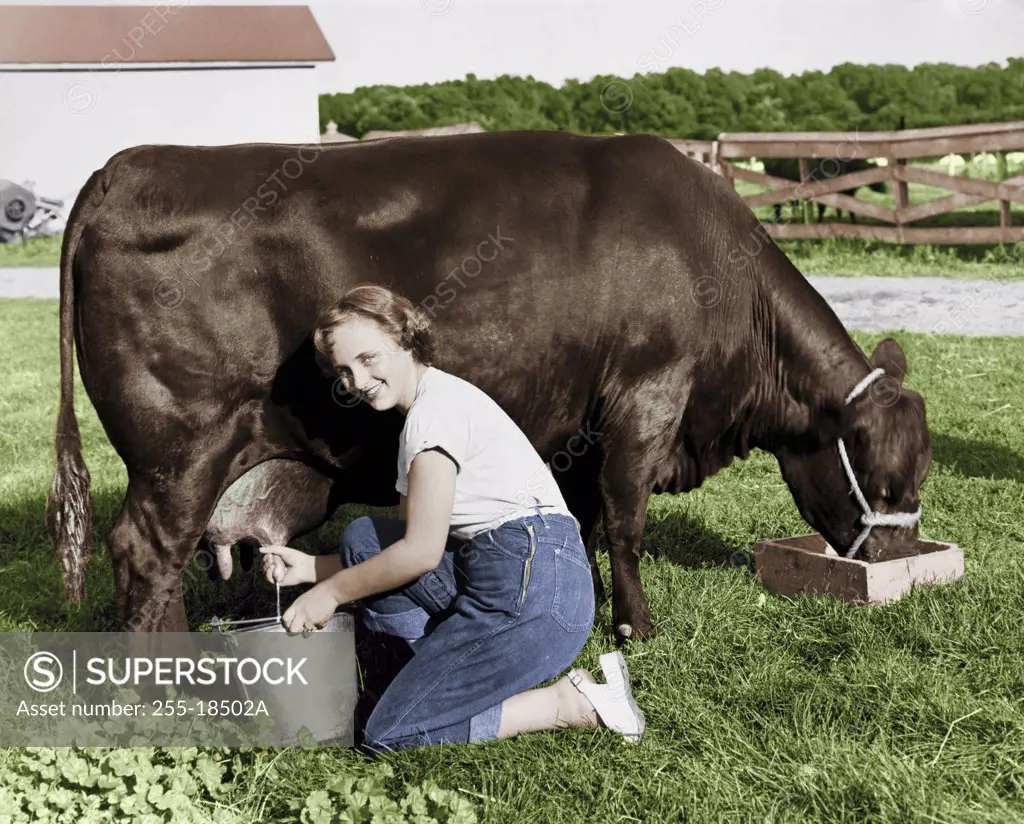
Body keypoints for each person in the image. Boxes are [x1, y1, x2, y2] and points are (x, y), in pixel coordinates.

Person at [259, 284, 645, 752]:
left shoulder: (431, 418)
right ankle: (429, 684)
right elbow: (406, 547)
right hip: (518, 570)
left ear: (404, 339)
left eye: (368, 358)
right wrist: (311, 568)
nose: (356, 381)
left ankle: (567, 703)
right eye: (343, 370)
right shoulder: (432, 404)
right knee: (365, 538)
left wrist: (330, 593)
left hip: (537, 590)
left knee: (386, 732)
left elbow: (421, 553)